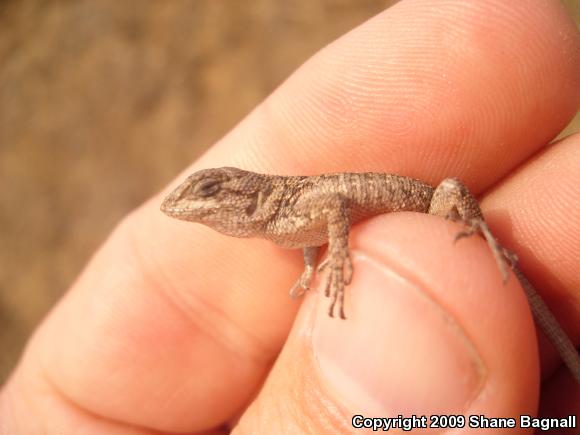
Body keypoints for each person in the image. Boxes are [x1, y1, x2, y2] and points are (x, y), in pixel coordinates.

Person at [1, 0, 579, 432]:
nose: (194, 207)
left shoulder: (287, 205)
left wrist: (341, 258)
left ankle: (487, 238)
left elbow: (332, 205)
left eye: (210, 193)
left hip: (430, 207)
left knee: (453, 189)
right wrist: (312, 266)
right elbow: (312, 231)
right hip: (424, 246)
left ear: (239, 194)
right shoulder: (278, 227)